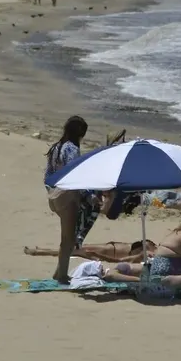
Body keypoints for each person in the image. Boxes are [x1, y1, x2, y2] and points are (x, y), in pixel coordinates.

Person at [45, 116, 105, 284]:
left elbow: (47, 175)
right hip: (67, 196)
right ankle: (61, 275)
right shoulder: (71, 148)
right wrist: (89, 195)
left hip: (54, 196)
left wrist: (51, 192)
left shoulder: (55, 147)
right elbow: (75, 175)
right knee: (68, 239)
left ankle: (60, 272)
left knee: (68, 237)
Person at [23, 240, 156, 263]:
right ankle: (41, 251)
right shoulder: (150, 248)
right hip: (110, 249)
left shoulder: (149, 253)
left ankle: (40, 251)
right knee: (75, 250)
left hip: (110, 251)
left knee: (74, 251)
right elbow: (136, 248)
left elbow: (132, 255)